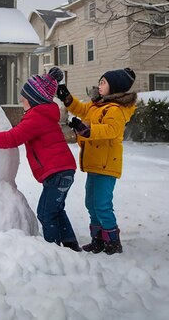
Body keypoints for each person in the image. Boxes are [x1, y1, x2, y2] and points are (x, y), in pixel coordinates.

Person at [0, 67, 81, 251]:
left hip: (57, 172)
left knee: (46, 214)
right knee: (56, 210)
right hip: (62, 170)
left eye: (24, 97)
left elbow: (12, 138)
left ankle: (53, 249)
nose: (21, 100)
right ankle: (70, 245)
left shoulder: (36, 118)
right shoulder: (44, 115)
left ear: (34, 99)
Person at [53, 66, 137, 255]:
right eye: (100, 81)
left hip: (107, 164)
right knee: (91, 203)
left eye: (104, 83)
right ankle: (98, 239)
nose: (100, 85)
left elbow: (110, 130)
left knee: (102, 204)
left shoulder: (116, 109)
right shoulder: (97, 105)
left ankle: (112, 241)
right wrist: (67, 98)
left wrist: (86, 130)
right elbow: (82, 109)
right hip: (94, 163)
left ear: (114, 88)